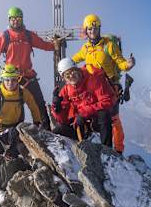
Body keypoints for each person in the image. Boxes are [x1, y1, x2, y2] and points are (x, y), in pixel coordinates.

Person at [0, 6, 55, 130]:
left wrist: (55, 45)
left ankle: (45, 130)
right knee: (7, 103)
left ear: (22, 19)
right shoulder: (5, 36)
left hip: (28, 76)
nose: (15, 21)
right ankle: (4, 131)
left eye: (18, 18)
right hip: (11, 77)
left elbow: (44, 45)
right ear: (9, 20)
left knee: (39, 103)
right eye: (12, 19)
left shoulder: (29, 36)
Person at [71, 13, 135, 153]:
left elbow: (120, 62)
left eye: (94, 28)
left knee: (114, 119)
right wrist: (64, 66)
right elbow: (75, 59)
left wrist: (128, 65)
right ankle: (89, 142)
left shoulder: (109, 45)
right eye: (89, 29)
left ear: (99, 28)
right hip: (91, 89)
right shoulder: (86, 48)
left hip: (110, 87)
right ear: (86, 31)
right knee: (95, 116)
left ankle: (118, 150)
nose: (92, 31)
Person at [0, 64, 42, 161]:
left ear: (18, 79)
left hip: (15, 129)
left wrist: (37, 122)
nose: (10, 83)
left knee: (22, 139)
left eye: (14, 79)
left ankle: (11, 154)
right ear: (3, 80)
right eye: (7, 79)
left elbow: (33, 107)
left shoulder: (22, 92)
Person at [50, 58, 115, 147]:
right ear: (64, 78)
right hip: (81, 126)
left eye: (73, 72)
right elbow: (63, 120)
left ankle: (107, 151)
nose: (71, 76)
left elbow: (107, 101)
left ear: (78, 70)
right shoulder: (66, 90)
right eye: (67, 75)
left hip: (96, 121)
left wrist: (83, 113)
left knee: (104, 115)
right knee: (58, 130)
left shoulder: (93, 79)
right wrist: (57, 108)